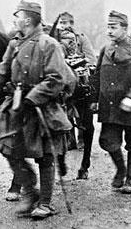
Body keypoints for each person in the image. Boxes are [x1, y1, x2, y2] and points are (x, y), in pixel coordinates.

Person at [0, 0, 74, 219]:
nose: (14, 20)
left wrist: (33, 97)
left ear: (27, 19)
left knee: (45, 157)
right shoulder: (14, 44)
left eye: (16, 16)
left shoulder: (49, 44)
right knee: (9, 150)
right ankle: (30, 192)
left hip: (42, 108)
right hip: (18, 107)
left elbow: (57, 78)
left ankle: (44, 203)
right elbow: (0, 73)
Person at [92, 10, 131, 194]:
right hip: (110, 106)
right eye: (108, 27)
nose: (109, 31)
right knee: (108, 141)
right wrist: (94, 100)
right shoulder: (105, 50)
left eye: (113, 27)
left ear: (124, 28)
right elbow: (97, 76)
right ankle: (121, 169)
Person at [53, 11, 97, 179]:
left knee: (87, 122)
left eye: (69, 22)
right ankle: (60, 156)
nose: (66, 25)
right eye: (63, 22)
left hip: (79, 78)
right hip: (60, 78)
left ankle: (85, 164)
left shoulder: (81, 38)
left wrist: (83, 64)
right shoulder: (54, 40)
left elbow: (91, 58)